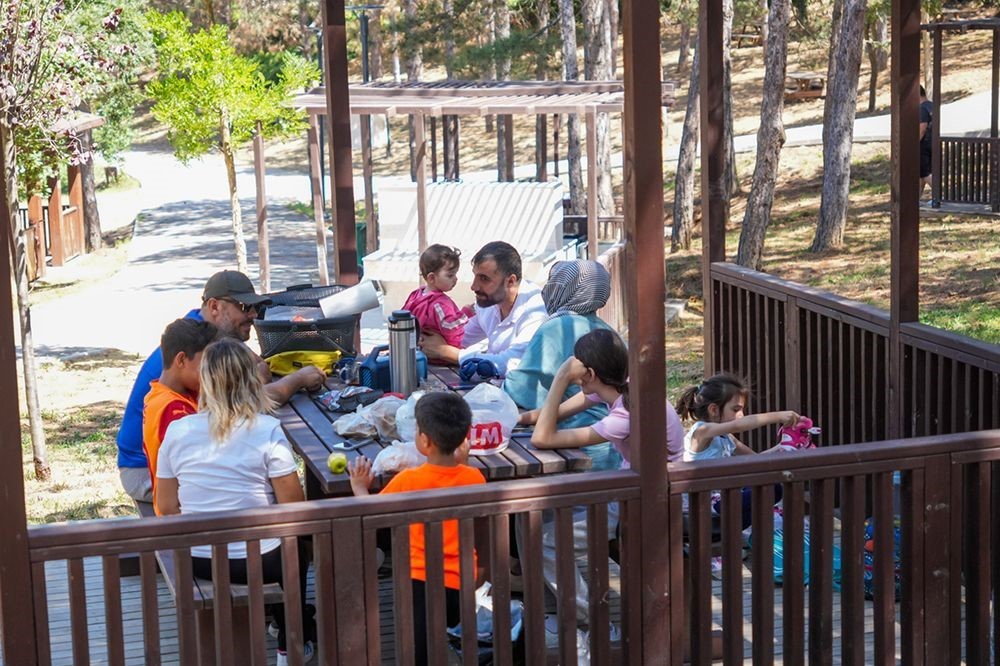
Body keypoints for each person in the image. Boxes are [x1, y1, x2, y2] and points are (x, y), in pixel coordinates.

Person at [155, 338, 316, 666]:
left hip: (199, 558)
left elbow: (167, 506)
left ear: (205, 381)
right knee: (296, 545)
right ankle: (290, 641)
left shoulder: (177, 431)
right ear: (251, 380)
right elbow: (293, 506)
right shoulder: (268, 429)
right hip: (261, 559)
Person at [518, 328, 685, 634]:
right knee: (534, 514)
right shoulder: (623, 387)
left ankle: (592, 620)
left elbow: (543, 437)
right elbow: (548, 415)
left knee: (543, 540)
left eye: (578, 368)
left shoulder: (624, 416)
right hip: (628, 488)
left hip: (646, 500)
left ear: (590, 373)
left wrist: (560, 378)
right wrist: (513, 419)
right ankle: (554, 605)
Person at [117, 270, 327, 504]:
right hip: (144, 471)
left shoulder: (199, 331)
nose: (254, 314)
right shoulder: (198, 351)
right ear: (214, 307)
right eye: (244, 307)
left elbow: (258, 372)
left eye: (254, 307)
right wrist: (296, 380)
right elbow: (251, 397)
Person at [347, 392, 485, 666]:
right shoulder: (475, 477)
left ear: (424, 440)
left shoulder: (408, 480)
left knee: (419, 646)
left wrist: (360, 487)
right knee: (444, 627)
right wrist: (463, 461)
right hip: (462, 579)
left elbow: (373, 515)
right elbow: (460, 480)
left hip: (420, 581)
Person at [504, 260, 615, 433]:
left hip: (574, 436)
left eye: (553, 283)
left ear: (562, 288)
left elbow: (524, 389)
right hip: (612, 437)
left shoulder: (557, 327)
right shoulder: (608, 331)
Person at [419, 241, 546, 377]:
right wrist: (429, 338)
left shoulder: (536, 311)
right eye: (475, 276)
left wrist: (446, 352)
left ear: (510, 281)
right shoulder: (488, 304)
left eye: (484, 279)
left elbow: (510, 363)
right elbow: (460, 337)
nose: (474, 286)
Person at [142, 318, 217, 515]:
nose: (212, 373)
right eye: (207, 365)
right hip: (180, 515)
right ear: (181, 360)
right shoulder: (174, 411)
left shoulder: (161, 393)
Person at [401, 244, 470, 353]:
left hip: (419, 352)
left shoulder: (416, 295)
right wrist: (466, 314)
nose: (456, 279)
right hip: (439, 356)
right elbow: (450, 328)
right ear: (432, 278)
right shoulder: (440, 303)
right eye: (450, 275)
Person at [920, 85, 934, 196]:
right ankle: (915, 200)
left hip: (922, 145)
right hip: (933, 143)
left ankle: (941, 195)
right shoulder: (932, 106)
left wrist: (914, 143)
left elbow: (922, 127)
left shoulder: (921, 108)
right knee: (921, 174)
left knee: (925, 173)